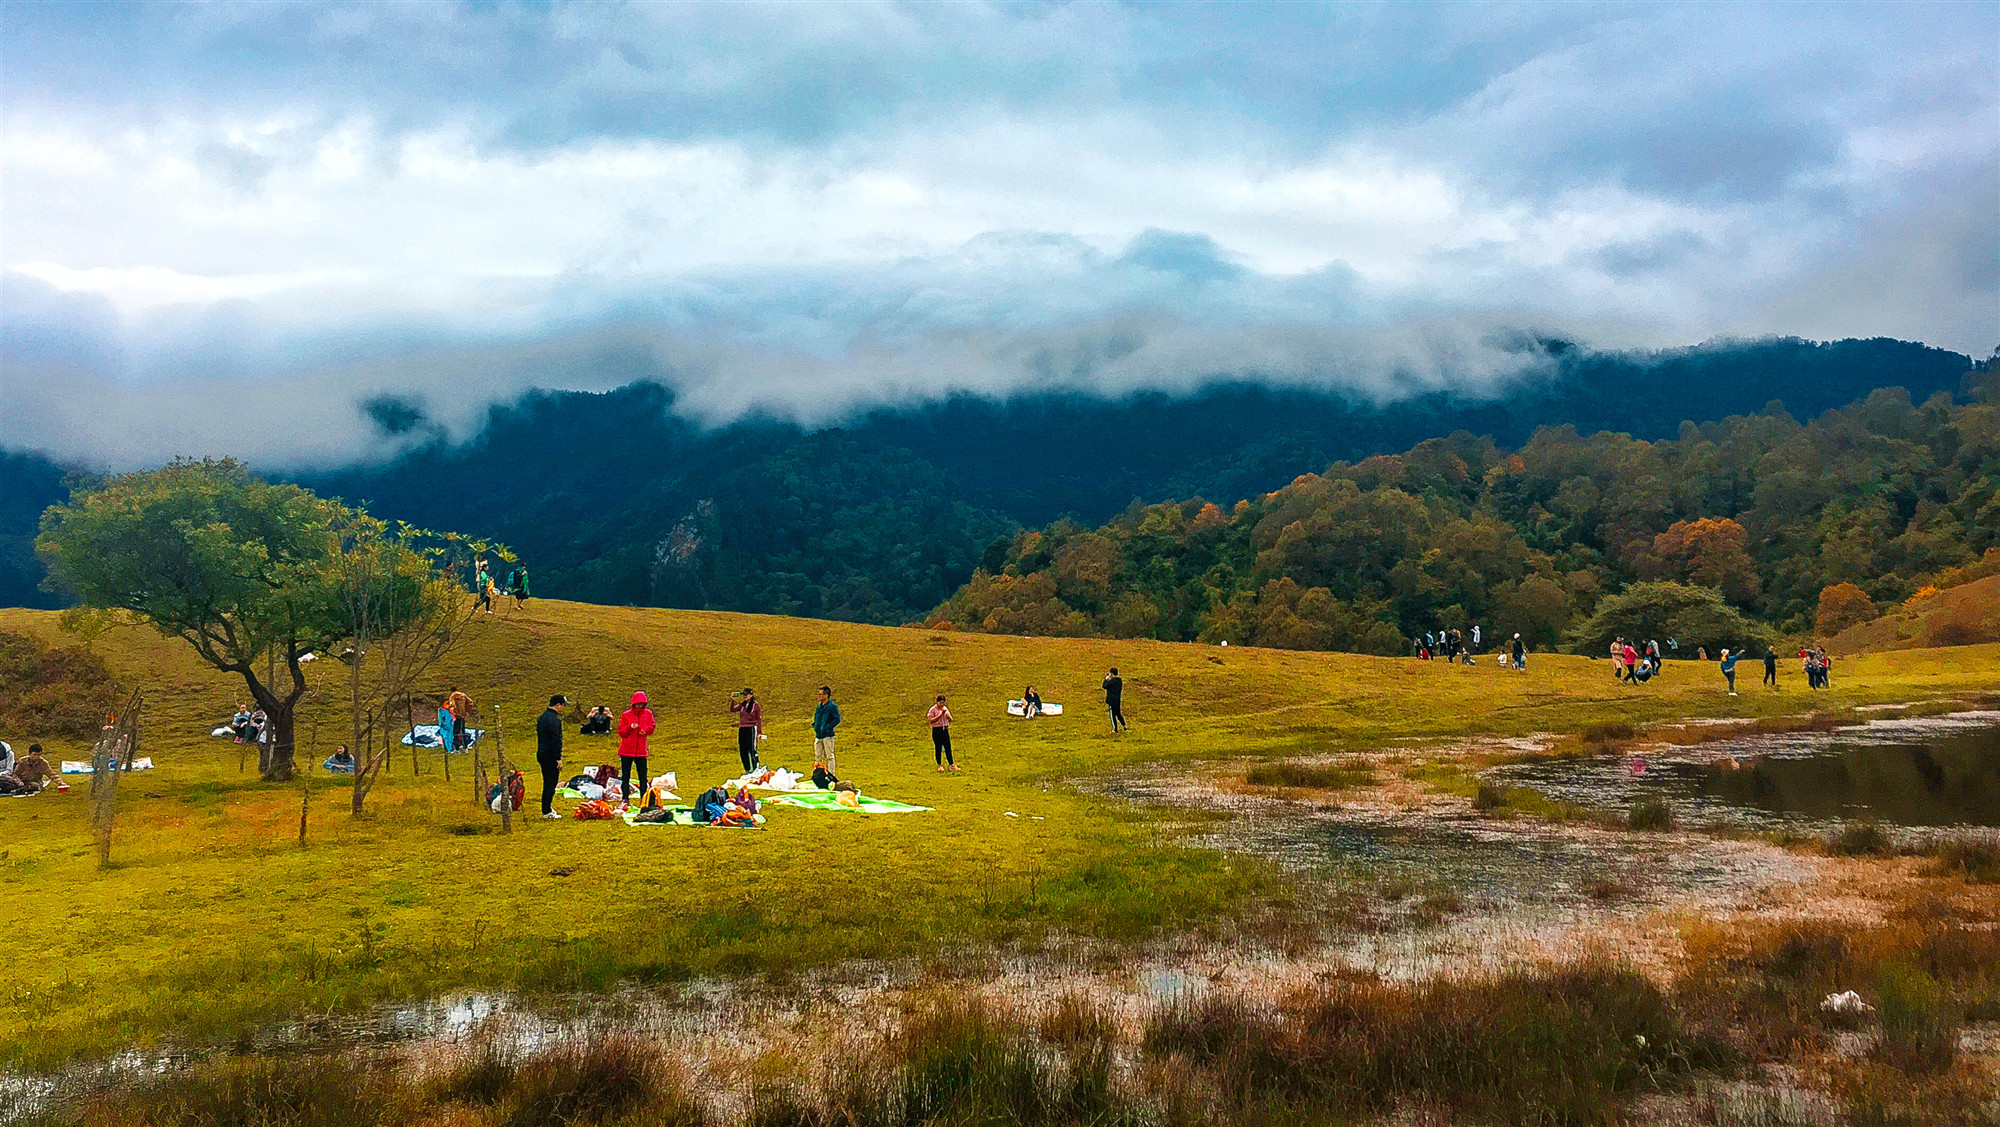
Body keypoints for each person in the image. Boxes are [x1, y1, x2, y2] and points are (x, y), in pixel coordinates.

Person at [616, 691, 654, 804]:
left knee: (643, 776)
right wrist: (630, 727)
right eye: (638, 704)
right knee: (625, 776)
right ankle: (625, 798)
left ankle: (644, 798)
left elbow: (652, 726)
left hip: (641, 751)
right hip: (626, 750)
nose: (639, 706)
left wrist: (645, 730)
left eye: (642, 704)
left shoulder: (648, 714)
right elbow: (621, 732)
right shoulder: (625, 715)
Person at [537, 694, 568, 819]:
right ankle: (546, 811)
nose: (563, 708)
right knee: (551, 783)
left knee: (547, 781)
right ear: (558, 705)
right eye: (563, 706)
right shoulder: (554, 720)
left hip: (542, 752)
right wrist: (558, 758)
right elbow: (556, 740)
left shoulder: (543, 717)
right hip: (550, 755)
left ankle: (547, 807)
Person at [730, 688, 763, 773]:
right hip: (742, 728)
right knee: (743, 749)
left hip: (751, 728)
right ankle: (747, 769)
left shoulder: (755, 705)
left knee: (752, 749)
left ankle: (756, 768)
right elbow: (732, 710)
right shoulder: (742, 705)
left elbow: (759, 719)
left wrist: (759, 732)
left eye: (746, 694)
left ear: (751, 695)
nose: (744, 696)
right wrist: (732, 700)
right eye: (743, 695)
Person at [812, 685, 841, 774]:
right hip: (818, 735)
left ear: (826, 695)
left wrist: (828, 728)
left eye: (821, 694)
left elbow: (837, 719)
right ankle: (818, 773)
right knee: (818, 756)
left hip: (827, 735)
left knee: (829, 756)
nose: (818, 696)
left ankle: (832, 774)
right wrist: (815, 726)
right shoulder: (819, 707)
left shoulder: (832, 706)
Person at [928, 695, 957, 771]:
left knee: (948, 747)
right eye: (940, 702)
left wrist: (948, 716)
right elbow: (931, 720)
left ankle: (951, 765)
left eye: (943, 702)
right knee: (938, 747)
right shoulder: (933, 710)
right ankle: (939, 765)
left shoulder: (945, 709)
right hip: (937, 730)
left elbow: (951, 719)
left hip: (945, 729)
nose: (942, 704)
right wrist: (940, 715)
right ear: (937, 702)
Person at [1104, 667, 1126, 732]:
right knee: (1118, 714)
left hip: (1111, 701)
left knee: (1112, 715)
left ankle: (1115, 728)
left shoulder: (1111, 681)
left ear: (1111, 673)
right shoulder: (1119, 681)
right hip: (1117, 700)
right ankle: (1124, 725)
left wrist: (1106, 679)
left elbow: (1104, 686)